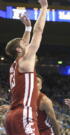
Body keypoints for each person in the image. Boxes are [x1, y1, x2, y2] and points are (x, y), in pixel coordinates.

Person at [4, 0, 48, 134]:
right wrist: (44, 8)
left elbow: (25, 41)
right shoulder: (25, 60)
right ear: (19, 49)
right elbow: (39, 31)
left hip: (12, 116)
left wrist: (27, 28)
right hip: (23, 114)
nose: (27, 43)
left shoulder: (15, 65)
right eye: (24, 43)